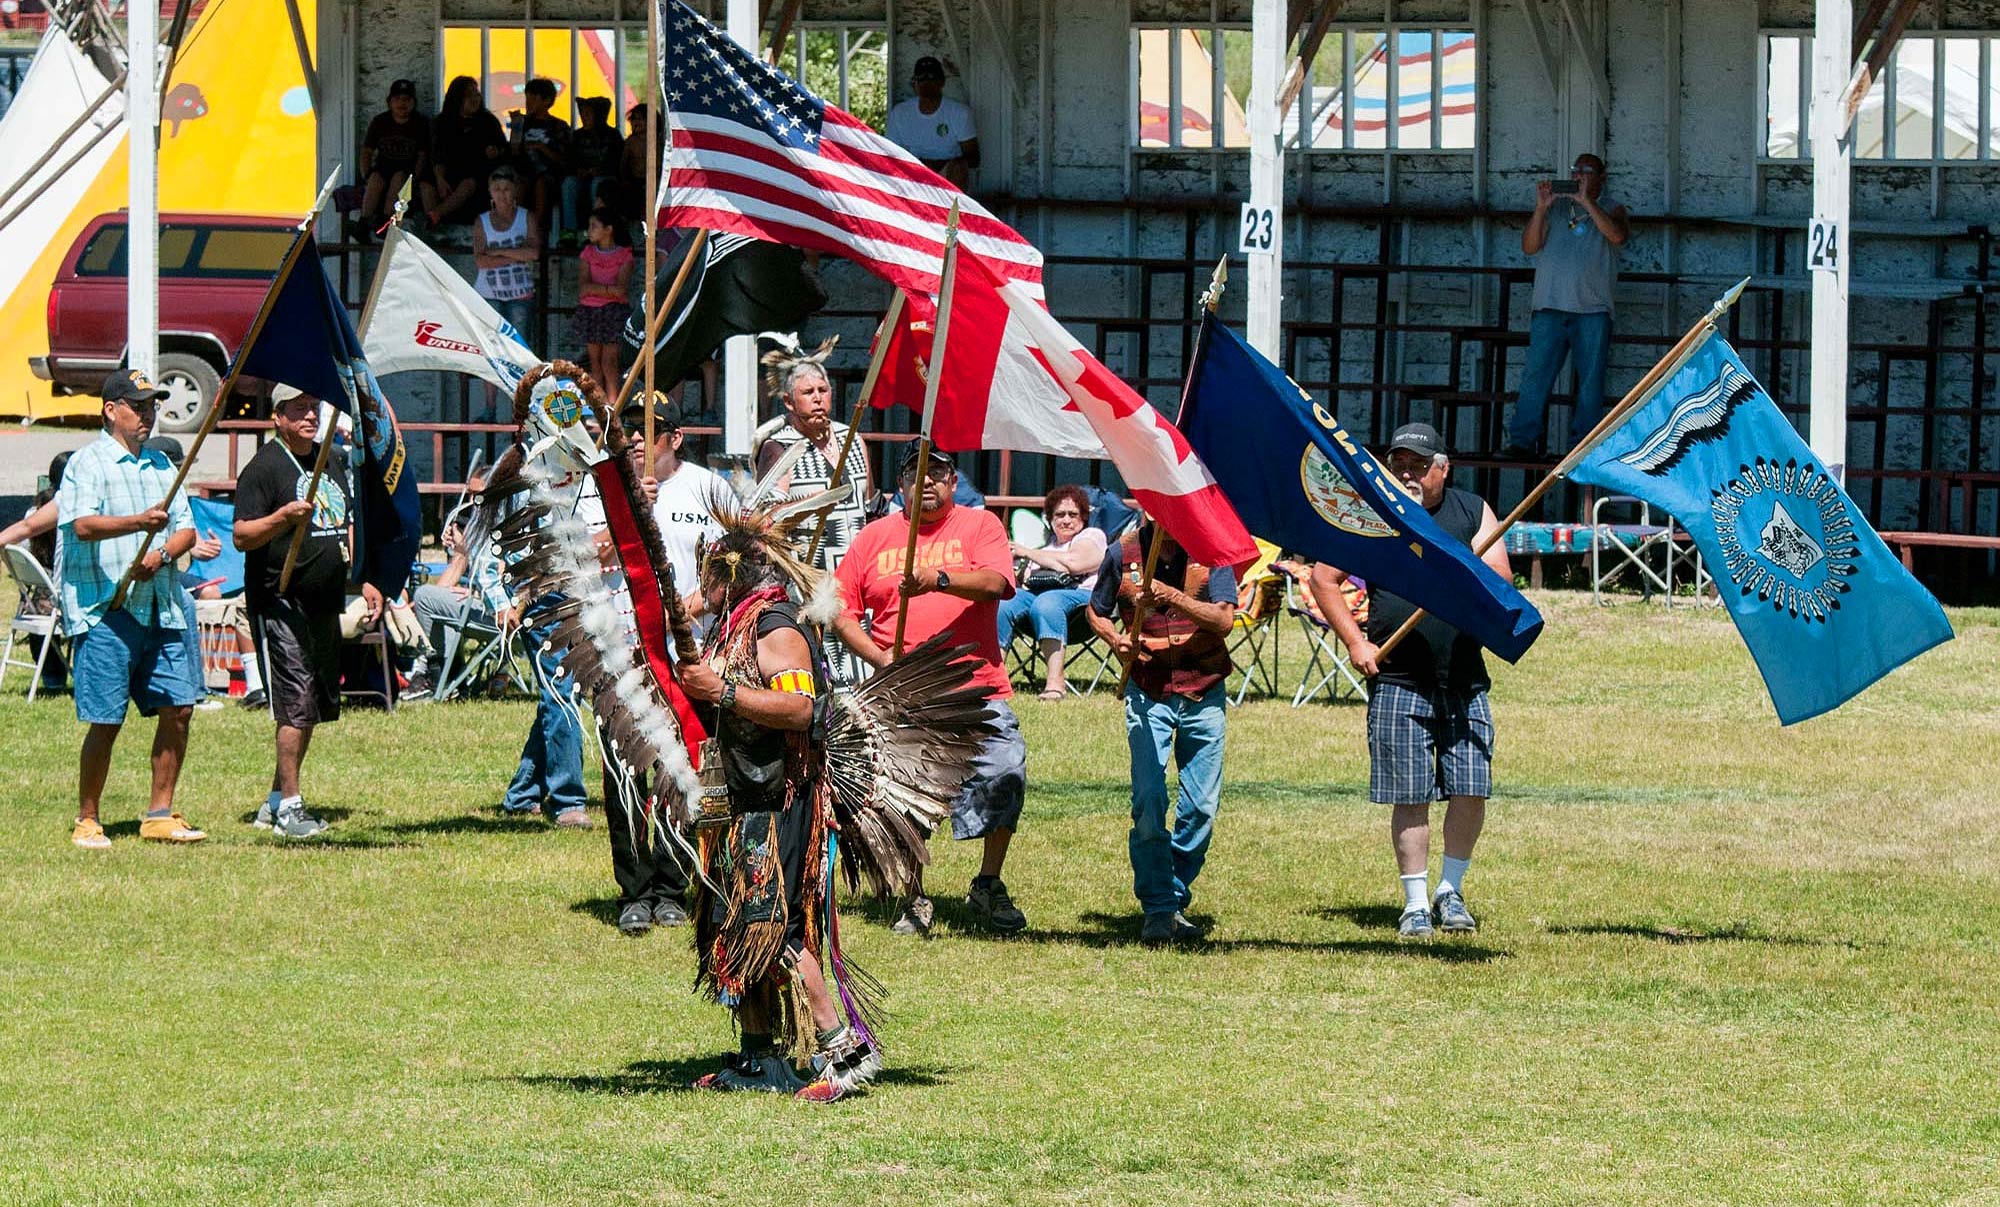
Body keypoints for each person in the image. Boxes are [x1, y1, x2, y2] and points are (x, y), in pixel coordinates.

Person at [1308, 423, 1512, 940]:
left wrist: (1463, 570)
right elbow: (1322, 579)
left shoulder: (1473, 513)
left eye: (1418, 465)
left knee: (1471, 787)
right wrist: (1355, 643)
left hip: (1464, 676)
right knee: (1411, 792)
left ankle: (1452, 891)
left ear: (1444, 468)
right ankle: (1416, 904)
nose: (1407, 473)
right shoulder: (1372, 511)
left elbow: (1502, 583)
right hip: (1399, 677)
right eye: (1398, 462)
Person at [832, 445, 1027, 936]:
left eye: (938, 473)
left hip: (975, 685)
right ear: (901, 486)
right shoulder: (874, 538)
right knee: (907, 796)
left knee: (1007, 773)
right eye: (916, 475)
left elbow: (996, 583)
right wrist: (878, 657)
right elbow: (838, 610)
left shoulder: (981, 527)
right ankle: (914, 897)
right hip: (903, 690)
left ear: (954, 481)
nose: (928, 483)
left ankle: (987, 883)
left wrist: (937, 579)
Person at [56, 370, 206, 849]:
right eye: (137, 406)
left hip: (162, 603)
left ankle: (159, 813)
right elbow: (81, 526)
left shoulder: (164, 465)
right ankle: (88, 819)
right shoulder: (87, 462)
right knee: (107, 718)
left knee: (179, 707)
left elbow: (186, 530)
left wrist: (161, 554)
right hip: (106, 609)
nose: (147, 415)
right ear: (110, 409)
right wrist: (138, 524)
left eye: (152, 406)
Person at [231, 387, 382, 839]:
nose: (310, 417)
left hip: (325, 600)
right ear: (277, 417)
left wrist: (366, 577)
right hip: (280, 600)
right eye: (298, 410)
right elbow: (241, 534)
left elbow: (347, 523)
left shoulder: (328, 459)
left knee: (312, 703)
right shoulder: (263, 467)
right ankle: (292, 810)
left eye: (313, 409)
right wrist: (282, 519)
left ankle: (277, 799)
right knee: (295, 703)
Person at [604, 393, 724, 936]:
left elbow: (730, 562)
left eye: (647, 432)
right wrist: (630, 511)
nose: (634, 440)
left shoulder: (707, 487)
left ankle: (673, 883)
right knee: (625, 774)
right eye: (627, 431)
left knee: (679, 767)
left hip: (686, 653)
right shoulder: (603, 486)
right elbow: (587, 558)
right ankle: (634, 889)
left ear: (674, 437)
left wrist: (692, 606)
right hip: (621, 654)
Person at [1087, 524, 1236, 945]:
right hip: (1148, 690)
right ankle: (1159, 907)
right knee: (1149, 800)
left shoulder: (1213, 550)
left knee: (1201, 807)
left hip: (1203, 690)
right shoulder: (1123, 552)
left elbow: (1224, 620)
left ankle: (1173, 893)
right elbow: (1095, 609)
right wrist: (1115, 638)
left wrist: (1173, 596)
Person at [753, 338, 873, 681]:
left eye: (823, 389)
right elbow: (766, 523)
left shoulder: (853, 440)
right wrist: (809, 507)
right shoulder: (779, 449)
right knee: (823, 669)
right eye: (808, 392)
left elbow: (870, 508)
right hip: (809, 577)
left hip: (856, 573)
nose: (818, 397)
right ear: (789, 401)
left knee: (861, 664)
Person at [1503, 153, 1629, 459]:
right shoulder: (1556, 208)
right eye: (1575, 172)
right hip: (1549, 307)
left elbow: (1617, 235)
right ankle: (1522, 441)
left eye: (1587, 172)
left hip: (1593, 311)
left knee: (1590, 383)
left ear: (1602, 177)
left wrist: (1587, 202)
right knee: (1536, 377)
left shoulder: (1613, 208)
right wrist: (1541, 207)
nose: (1579, 177)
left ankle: (1583, 446)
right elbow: (1529, 246)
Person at [998, 484, 1107, 701]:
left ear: (1083, 518)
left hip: (1083, 610)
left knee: (1047, 602)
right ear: (1050, 518)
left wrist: (1029, 553)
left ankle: (1055, 683)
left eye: (1073, 514)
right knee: (1004, 602)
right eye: (1059, 515)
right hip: (1036, 603)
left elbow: (1075, 564)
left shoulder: (1092, 536)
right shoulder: (1043, 545)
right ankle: (994, 679)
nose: (1066, 520)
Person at [2, 451, 73, 693]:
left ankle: (52, 676)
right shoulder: (74, 508)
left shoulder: (34, 510)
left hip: (34, 597)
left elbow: (20, 548)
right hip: (62, 593)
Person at [425, 75, 507, 233]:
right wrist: (440, 179)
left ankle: (434, 216)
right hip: (448, 170)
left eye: (476, 94)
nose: (474, 99)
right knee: (426, 184)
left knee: (469, 183)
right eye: (468, 96)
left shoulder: (488, 121)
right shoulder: (442, 122)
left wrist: (495, 152)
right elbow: (436, 154)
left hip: (475, 173)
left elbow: (503, 149)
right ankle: (435, 229)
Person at [473, 167, 541, 354]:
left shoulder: (526, 217)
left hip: (520, 294)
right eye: (497, 189)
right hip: (489, 294)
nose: (502, 194)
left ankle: (519, 385)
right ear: (490, 192)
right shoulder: (482, 221)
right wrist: (517, 255)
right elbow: (481, 261)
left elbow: (534, 254)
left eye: (506, 189)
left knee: (519, 349)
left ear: (515, 191)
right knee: (491, 349)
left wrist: (498, 252)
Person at [885, 55, 979, 189]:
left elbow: (974, 158)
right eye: (921, 78)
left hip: (947, 175)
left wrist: (939, 165)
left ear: (942, 82)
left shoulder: (959, 112)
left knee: (959, 167)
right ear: (914, 83)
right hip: (914, 174)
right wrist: (920, 166)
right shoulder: (900, 113)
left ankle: (952, 210)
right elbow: (890, 154)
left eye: (931, 78)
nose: (926, 83)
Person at [571, 206, 633, 395]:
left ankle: (613, 405)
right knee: (594, 363)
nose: (589, 231)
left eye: (594, 226)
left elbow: (621, 290)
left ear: (608, 229)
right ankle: (598, 404)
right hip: (590, 311)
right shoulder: (587, 253)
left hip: (614, 312)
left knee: (609, 362)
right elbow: (583, 287)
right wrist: (609, 290)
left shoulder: (624, 255)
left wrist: (596, 289)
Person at [359, 78, 431, 234]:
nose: (402, 103)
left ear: (414, 102)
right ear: (389, 102)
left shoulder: (420, 124)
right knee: (375, 178)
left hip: (406, 169)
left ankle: (385, 222)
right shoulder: (380, 121)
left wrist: (415, 180)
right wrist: (365, 174)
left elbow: (422, 156)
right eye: (397, 99)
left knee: (398, 179)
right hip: (383, 167)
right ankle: (363, 224)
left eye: (407, 99)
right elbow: (367, 151)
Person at [507, 77, 569, 243]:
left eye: (533, 98)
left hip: (549, 173)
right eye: (527, 98)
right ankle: (518, 230)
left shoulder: (559, 126)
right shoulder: (523, 123)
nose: (528, 103)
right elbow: (513, 152)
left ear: (547, 100)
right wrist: (516, 129)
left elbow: (563, 159)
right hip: (524, 171)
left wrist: (541, 147)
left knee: (541, 184)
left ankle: (536, 229)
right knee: (520, 183)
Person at [563, 96, 623, 241]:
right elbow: (569, 160)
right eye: (582, 113)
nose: (584, 117)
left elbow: (618, 161)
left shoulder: (612, 135)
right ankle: (569, 232)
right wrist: (578, 170)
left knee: (598, 184)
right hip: (581, 179)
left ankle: (596, 229)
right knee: (568, 184)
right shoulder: (577, 136)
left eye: (588, 114)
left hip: (604, 179)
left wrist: (599, 170)